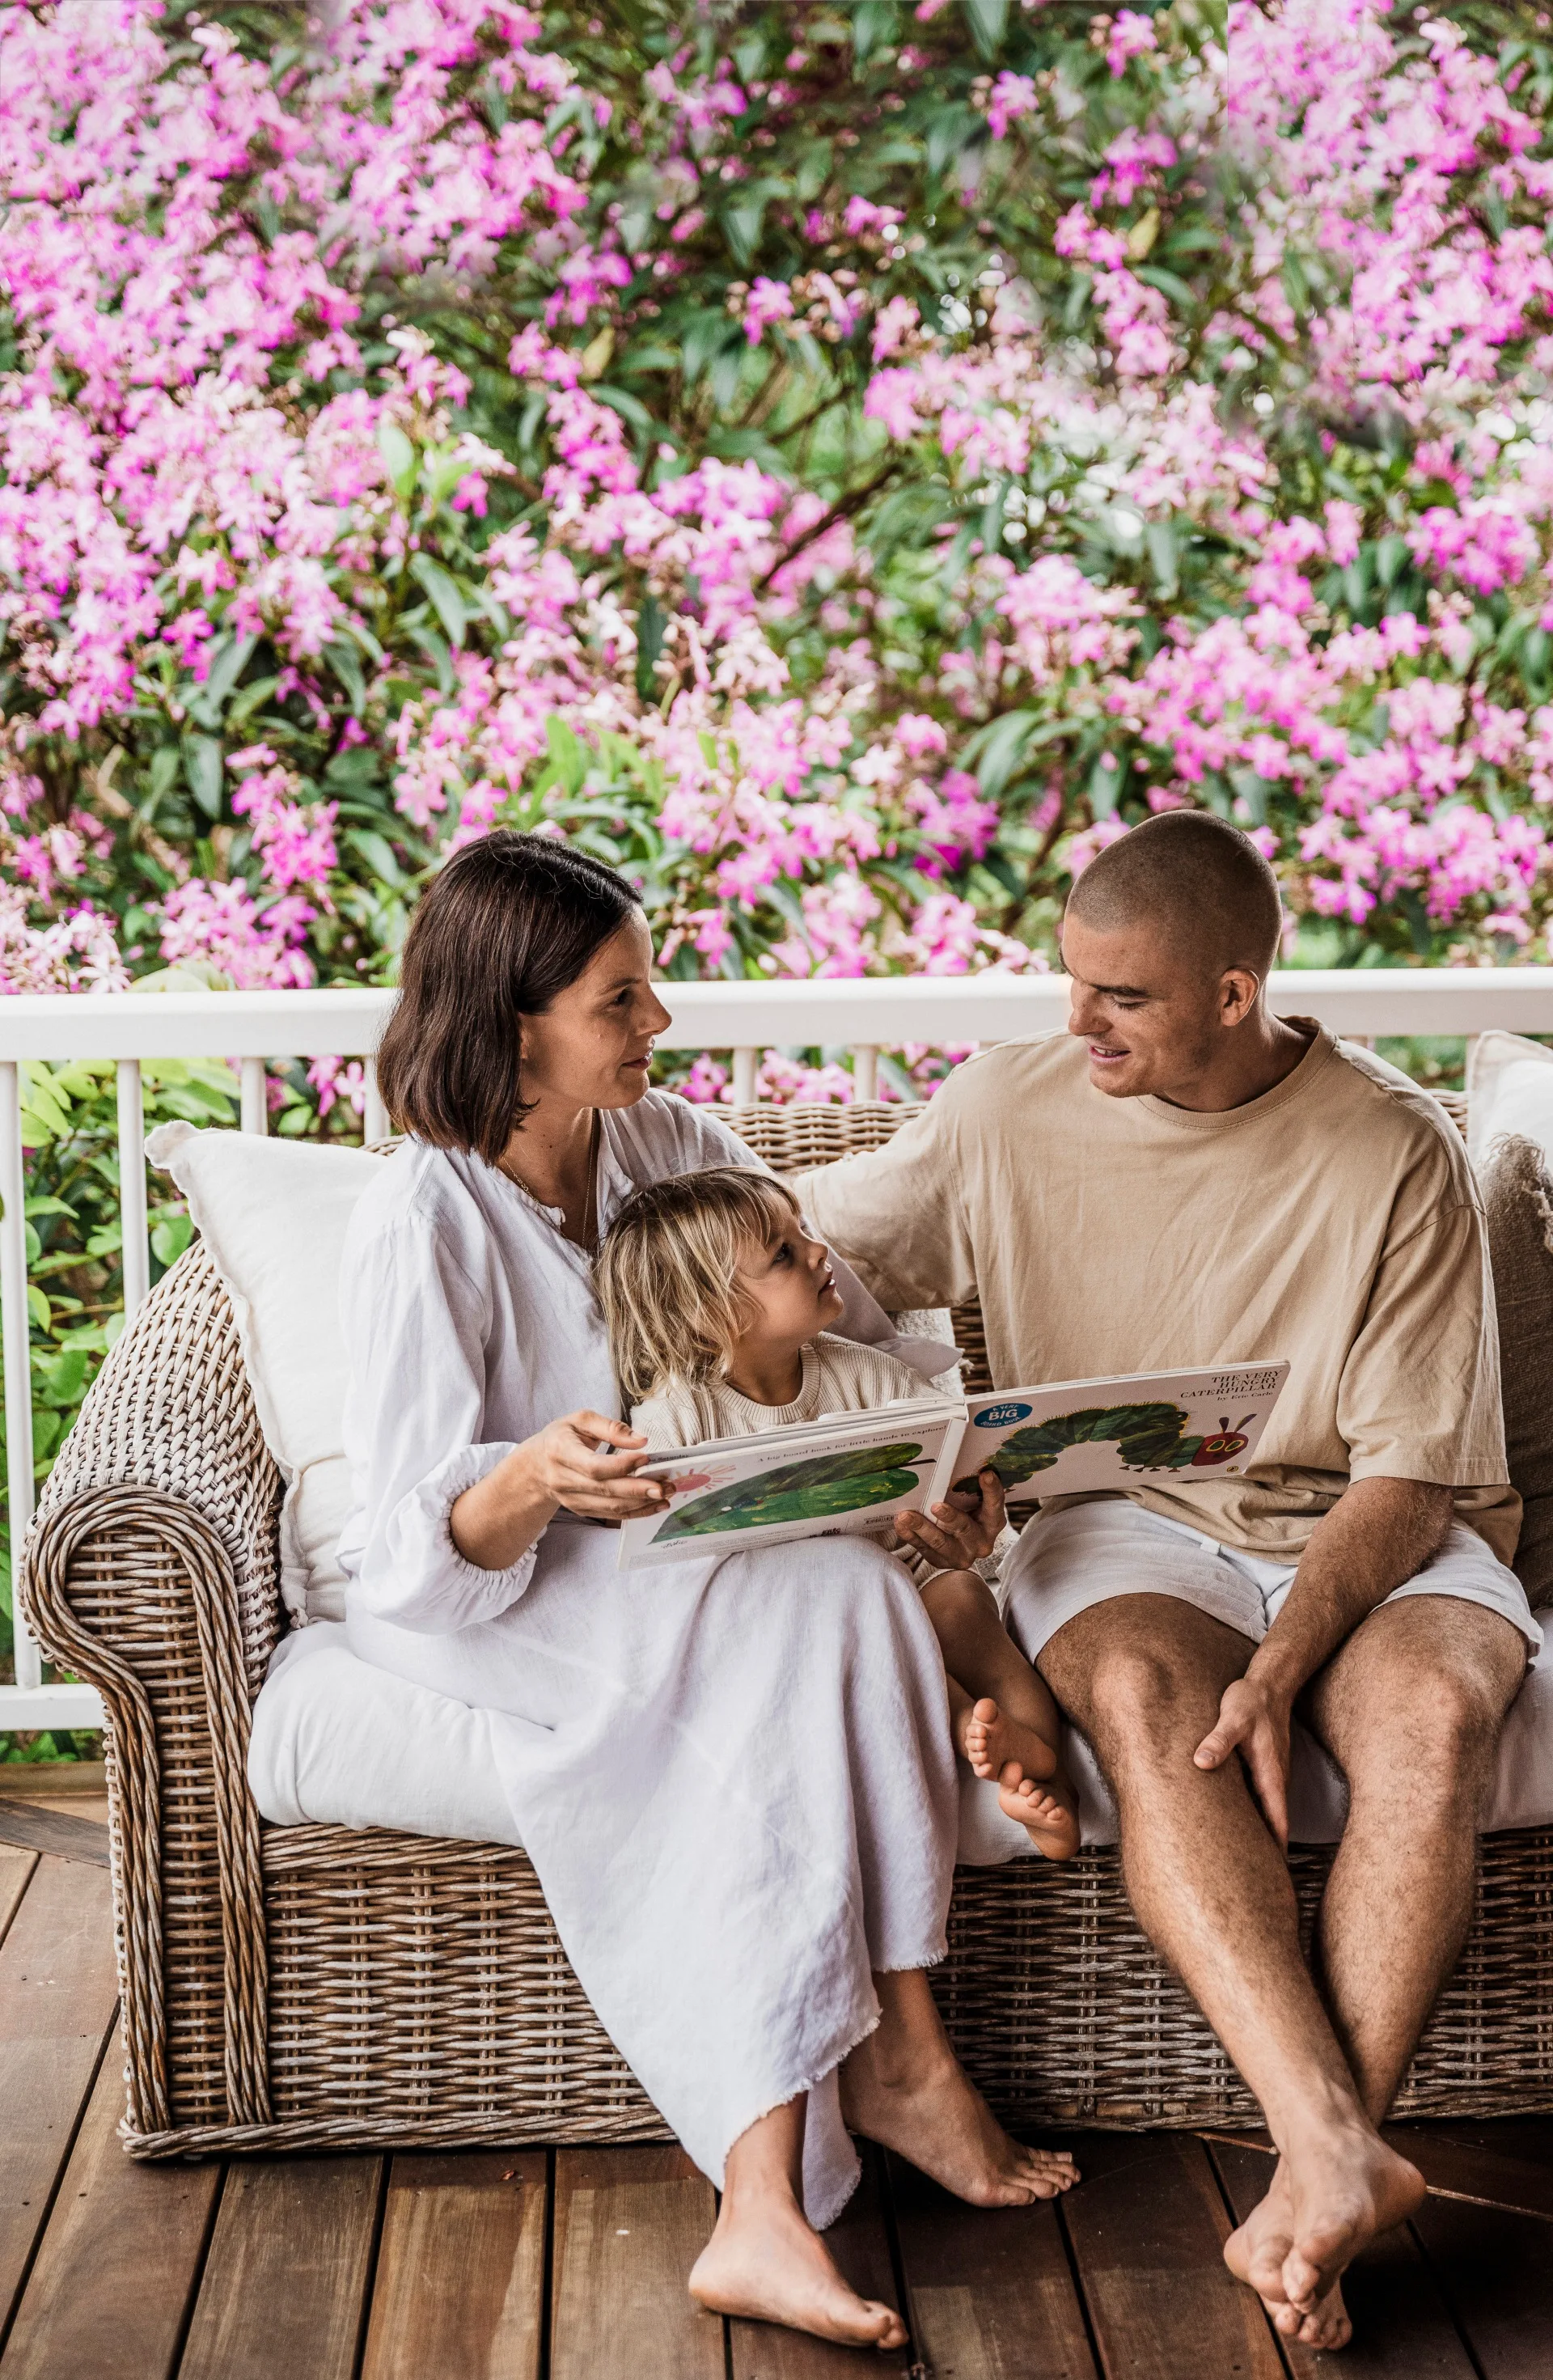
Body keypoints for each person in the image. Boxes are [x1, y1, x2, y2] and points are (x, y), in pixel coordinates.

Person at [798, 810, 1538, 2354]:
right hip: (1124, 1525)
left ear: (1231, 992)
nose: (1079, 1020)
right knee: (1143, 1696)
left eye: (1121, 995)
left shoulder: (1393, 1147)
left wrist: (1286, 1660)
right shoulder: (1005, 1107)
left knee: (1435, 1710)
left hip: (1371, 1526)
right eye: (1071, 980)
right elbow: (798, 1256)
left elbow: (1413, 1473)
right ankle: (1332, 2157)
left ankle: (1319, 2174)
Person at [339, 829, 1075, 2357]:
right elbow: (408, 1546)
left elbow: (841, 1332)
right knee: (804, 1620)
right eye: (619, 999)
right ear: (513, 1028)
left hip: (694, 1547)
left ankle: (900, 2055)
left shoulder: (667, 1136)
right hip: (513, 1592)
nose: (658, 1020)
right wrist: (535, 1475)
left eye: (647, 985)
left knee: (857, 1595)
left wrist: (938, 1469)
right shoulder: (423, 1215)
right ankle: (766, 2198)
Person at [595, 1164, 1080, 1857]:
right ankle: (970, 1731)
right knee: (884, 1637)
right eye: (783, 1253)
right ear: (715, 1312)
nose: (819, 1251)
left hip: (915, 1584)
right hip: (808, 1624)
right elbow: (664, 1560)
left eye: (804, 1231)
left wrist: (970, 1505)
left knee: (966, 1603)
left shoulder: (866, 1374)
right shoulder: (678, 1418)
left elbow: (952, 1461)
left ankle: (1039, 1772)